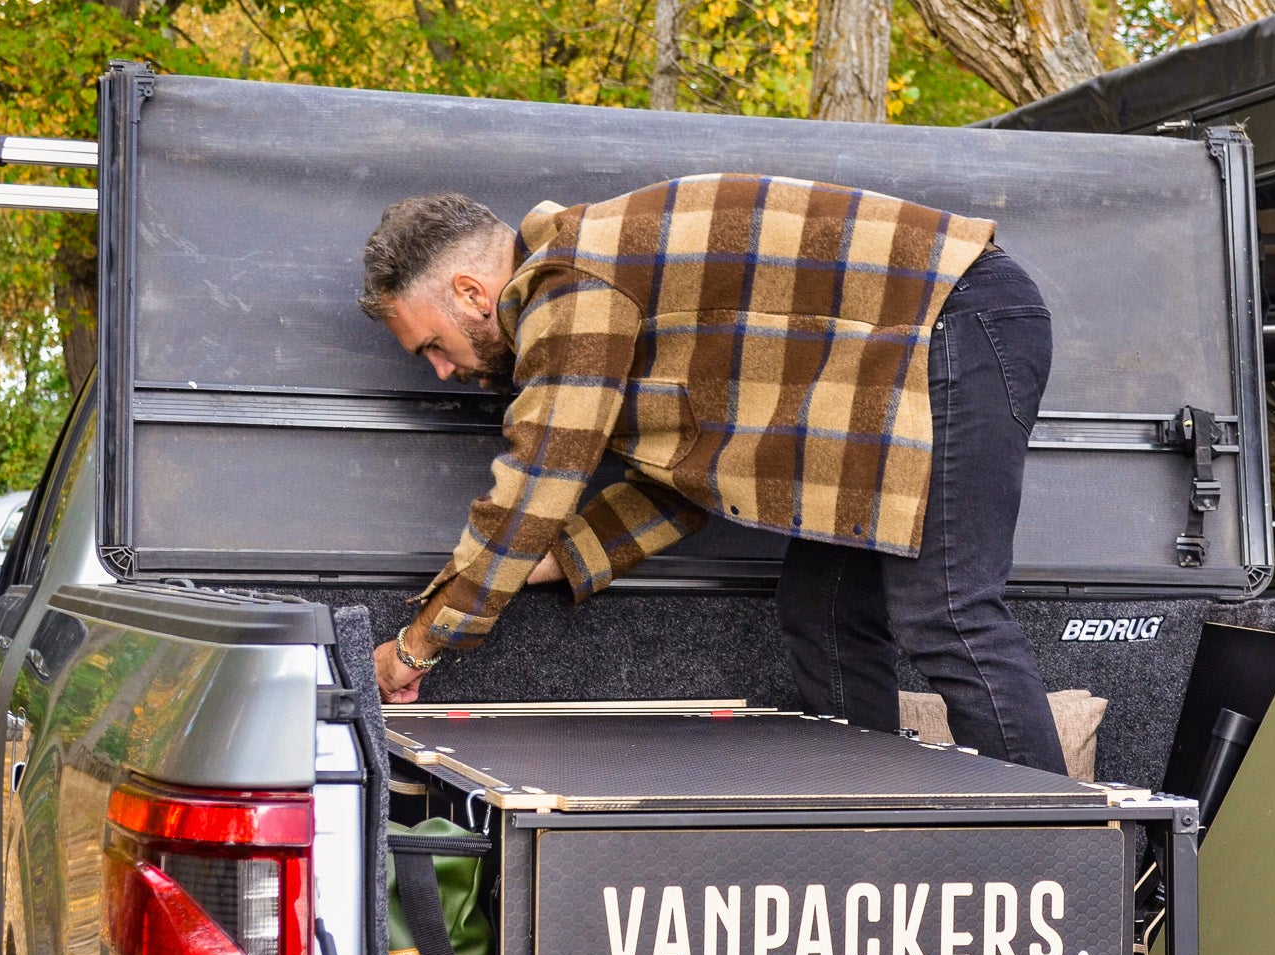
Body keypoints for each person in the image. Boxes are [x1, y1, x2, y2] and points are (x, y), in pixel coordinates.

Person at [359, 175, 1066, 773]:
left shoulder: (569, 283)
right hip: (894, 368)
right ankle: (867, 834)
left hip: (958, 319)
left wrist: (418, 645)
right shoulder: (595, 283)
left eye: (433, 345)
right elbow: (682, 484)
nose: (442, 369)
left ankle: (1065, 879)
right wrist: (554, 558)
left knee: (946, 611)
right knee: (823, 612)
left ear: (472, 293)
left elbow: (537, 478)